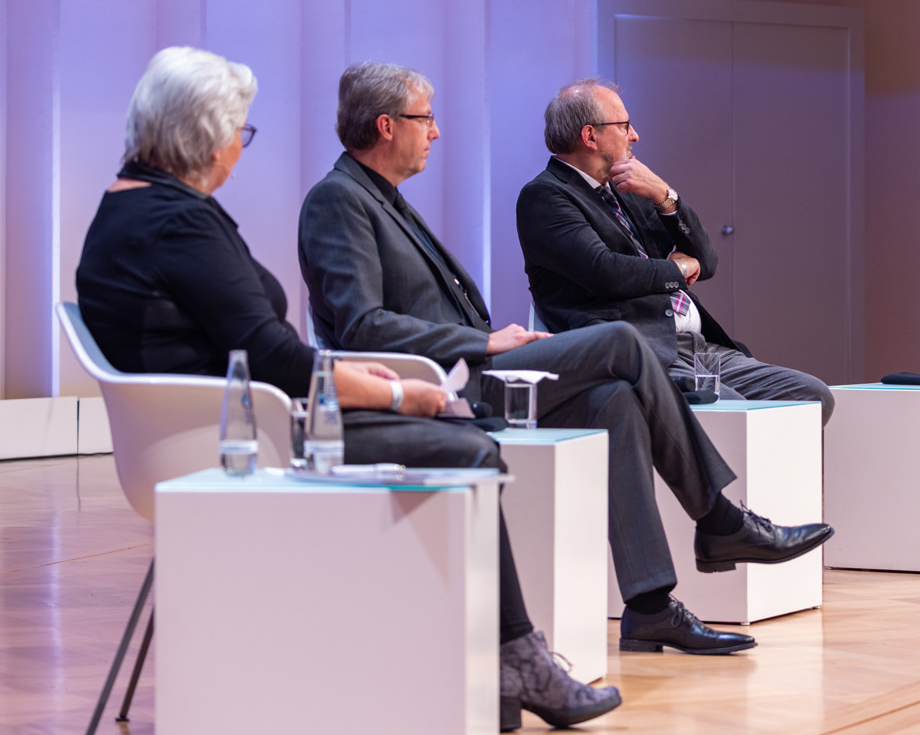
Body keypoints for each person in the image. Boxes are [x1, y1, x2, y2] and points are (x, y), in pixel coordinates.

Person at [75, 47, 620, 732]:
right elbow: (270, 357)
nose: (238, 150)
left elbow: (256, 351)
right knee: (466, 448)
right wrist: (390, 394)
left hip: (216, 426)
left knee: (457, 435)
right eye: (239, 132)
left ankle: (500, 663)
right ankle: (512, 661)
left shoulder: (125, 210)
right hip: (237, 438)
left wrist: (356, 380)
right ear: (204, 135)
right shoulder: (178, 223)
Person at [298, 62, 833, 656]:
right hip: (445, 382)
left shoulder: (383, 199)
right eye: (426, 118)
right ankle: (719, 519)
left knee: (615, 399)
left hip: (474, 369)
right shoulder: (338, 200)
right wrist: (484, 342)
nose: (436, 131)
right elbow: (361, 328)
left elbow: (701, 259)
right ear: (386, 126)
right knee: (622, 342)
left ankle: (651, 607)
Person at [516, 78, 833, 426]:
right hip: (641, 353)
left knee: (811, 396)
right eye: (624, 126)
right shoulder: (547, 196)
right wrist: (677, 271)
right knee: (736, 412)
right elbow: (606, 272)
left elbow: (706, 261)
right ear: (590, 136)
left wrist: (664, 195)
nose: (635, 136)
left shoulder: (627, 188)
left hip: (697, 347)